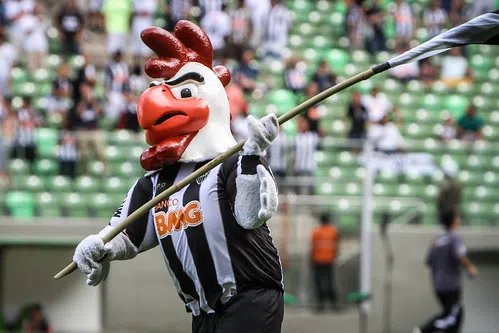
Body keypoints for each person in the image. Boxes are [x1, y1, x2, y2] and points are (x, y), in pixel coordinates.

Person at [72, 22, 284, 333]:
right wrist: (98, 246)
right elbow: (127, 235)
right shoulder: (154, 184)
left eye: (183, 91)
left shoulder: (231, 163)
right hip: (202, 313)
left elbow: (251, 216)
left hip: (250, 299)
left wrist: (252, 156)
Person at [413, 210, 477, 333]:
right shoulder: (454, 237)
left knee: (450, 314)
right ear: (454, 220)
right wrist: (470, 267)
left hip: (438, 285)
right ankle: (423, 329)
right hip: (451, 285)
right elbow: (460, 256)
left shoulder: (437, 239)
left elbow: (429, 261)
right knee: (454, 316)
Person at [310, 214, 339, 312]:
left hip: (318, 261)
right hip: (329, 261)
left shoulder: (316, 232)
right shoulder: (333, 231)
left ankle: (320, 305)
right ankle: (334, 305)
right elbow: (336, 246)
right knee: (330, 282)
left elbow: (313, 247)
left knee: (319, 282)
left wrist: (311, 259)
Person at [74, 83, 106, 173]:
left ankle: (104, 172)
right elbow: (78, 113)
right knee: (83, 155)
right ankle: (84, 173)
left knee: (100, 153)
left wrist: (92, 101)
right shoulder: (79, 101)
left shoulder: (96, 101)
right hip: (83, 131)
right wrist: (84, 101)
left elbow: (101, 112)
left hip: (94, 130)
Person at [10, 97, 41, 166]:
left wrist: (32, 119)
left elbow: (39, 123)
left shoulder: (34, 112)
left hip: (31, 141)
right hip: (19, 142)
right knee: (18, 161)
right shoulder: (17, 112)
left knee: (30, 162)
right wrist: (25, 123)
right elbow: (15, 123)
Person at [292, 116, 320, 194]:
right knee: (300, 186)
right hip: (300, 166)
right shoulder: (297, 137)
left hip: (309, 166)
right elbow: (294, 152)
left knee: (308, 186)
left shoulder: (312, 136)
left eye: (305, 123)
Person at [19, 4, 48, 70]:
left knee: (43, 67)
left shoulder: (42, 18)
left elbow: (45, 30)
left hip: (41, 46)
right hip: (30, 47)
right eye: (36, 8)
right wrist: (36, 22)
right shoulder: (26, 19)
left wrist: (42, 21)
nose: (38, 10)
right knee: (32, 68)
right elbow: (27, 32)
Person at [104, 50, 129, 120]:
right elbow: (107, 80)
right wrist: (106, 91)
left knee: (122, 109)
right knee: (113, 110)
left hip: (121, 92)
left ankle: (120, 126)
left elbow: (126, 80)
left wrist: (126, 91)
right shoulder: (109, 66)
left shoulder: (124, 66)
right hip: (113, 91)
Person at [0, 28, 17, 97]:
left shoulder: (9, 48)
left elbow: (13, 63)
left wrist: (10, 75)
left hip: (6, 76)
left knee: (7, 95)